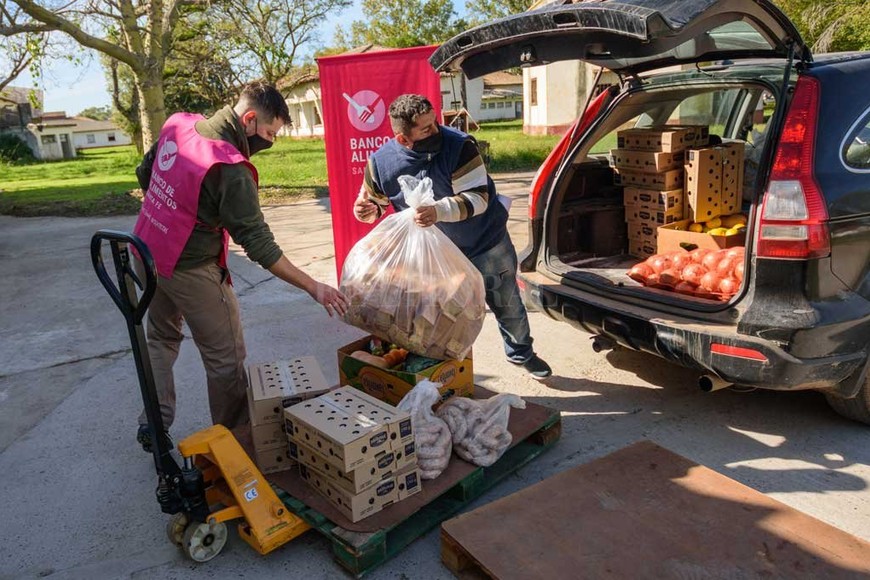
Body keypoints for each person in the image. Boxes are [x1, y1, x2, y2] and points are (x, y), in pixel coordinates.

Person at [133, 81, 348, 452]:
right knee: (226, 360)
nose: (271, 142)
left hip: (146, 251)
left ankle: (153, 422)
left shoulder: (179, 124)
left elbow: (145, 171)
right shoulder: (229, 167)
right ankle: (232, 445)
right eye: (268, 133)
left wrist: (179, 209)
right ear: (248, 119)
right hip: (191, 269)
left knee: (161, 339)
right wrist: (313, 286)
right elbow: (259, 244)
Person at [353, 94, 551, 380]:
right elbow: (376, 203)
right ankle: (442, 371)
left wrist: (439, 210)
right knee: (437, 316)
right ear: (403, 139)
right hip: (435, 256)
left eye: (435, 122)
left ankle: (521, 353)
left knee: (505, 301)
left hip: (485, 243)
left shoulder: (460, 146)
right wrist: (366, 210)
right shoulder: (380, 163)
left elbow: (479, 198)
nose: (437, 131)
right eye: (426, 129)